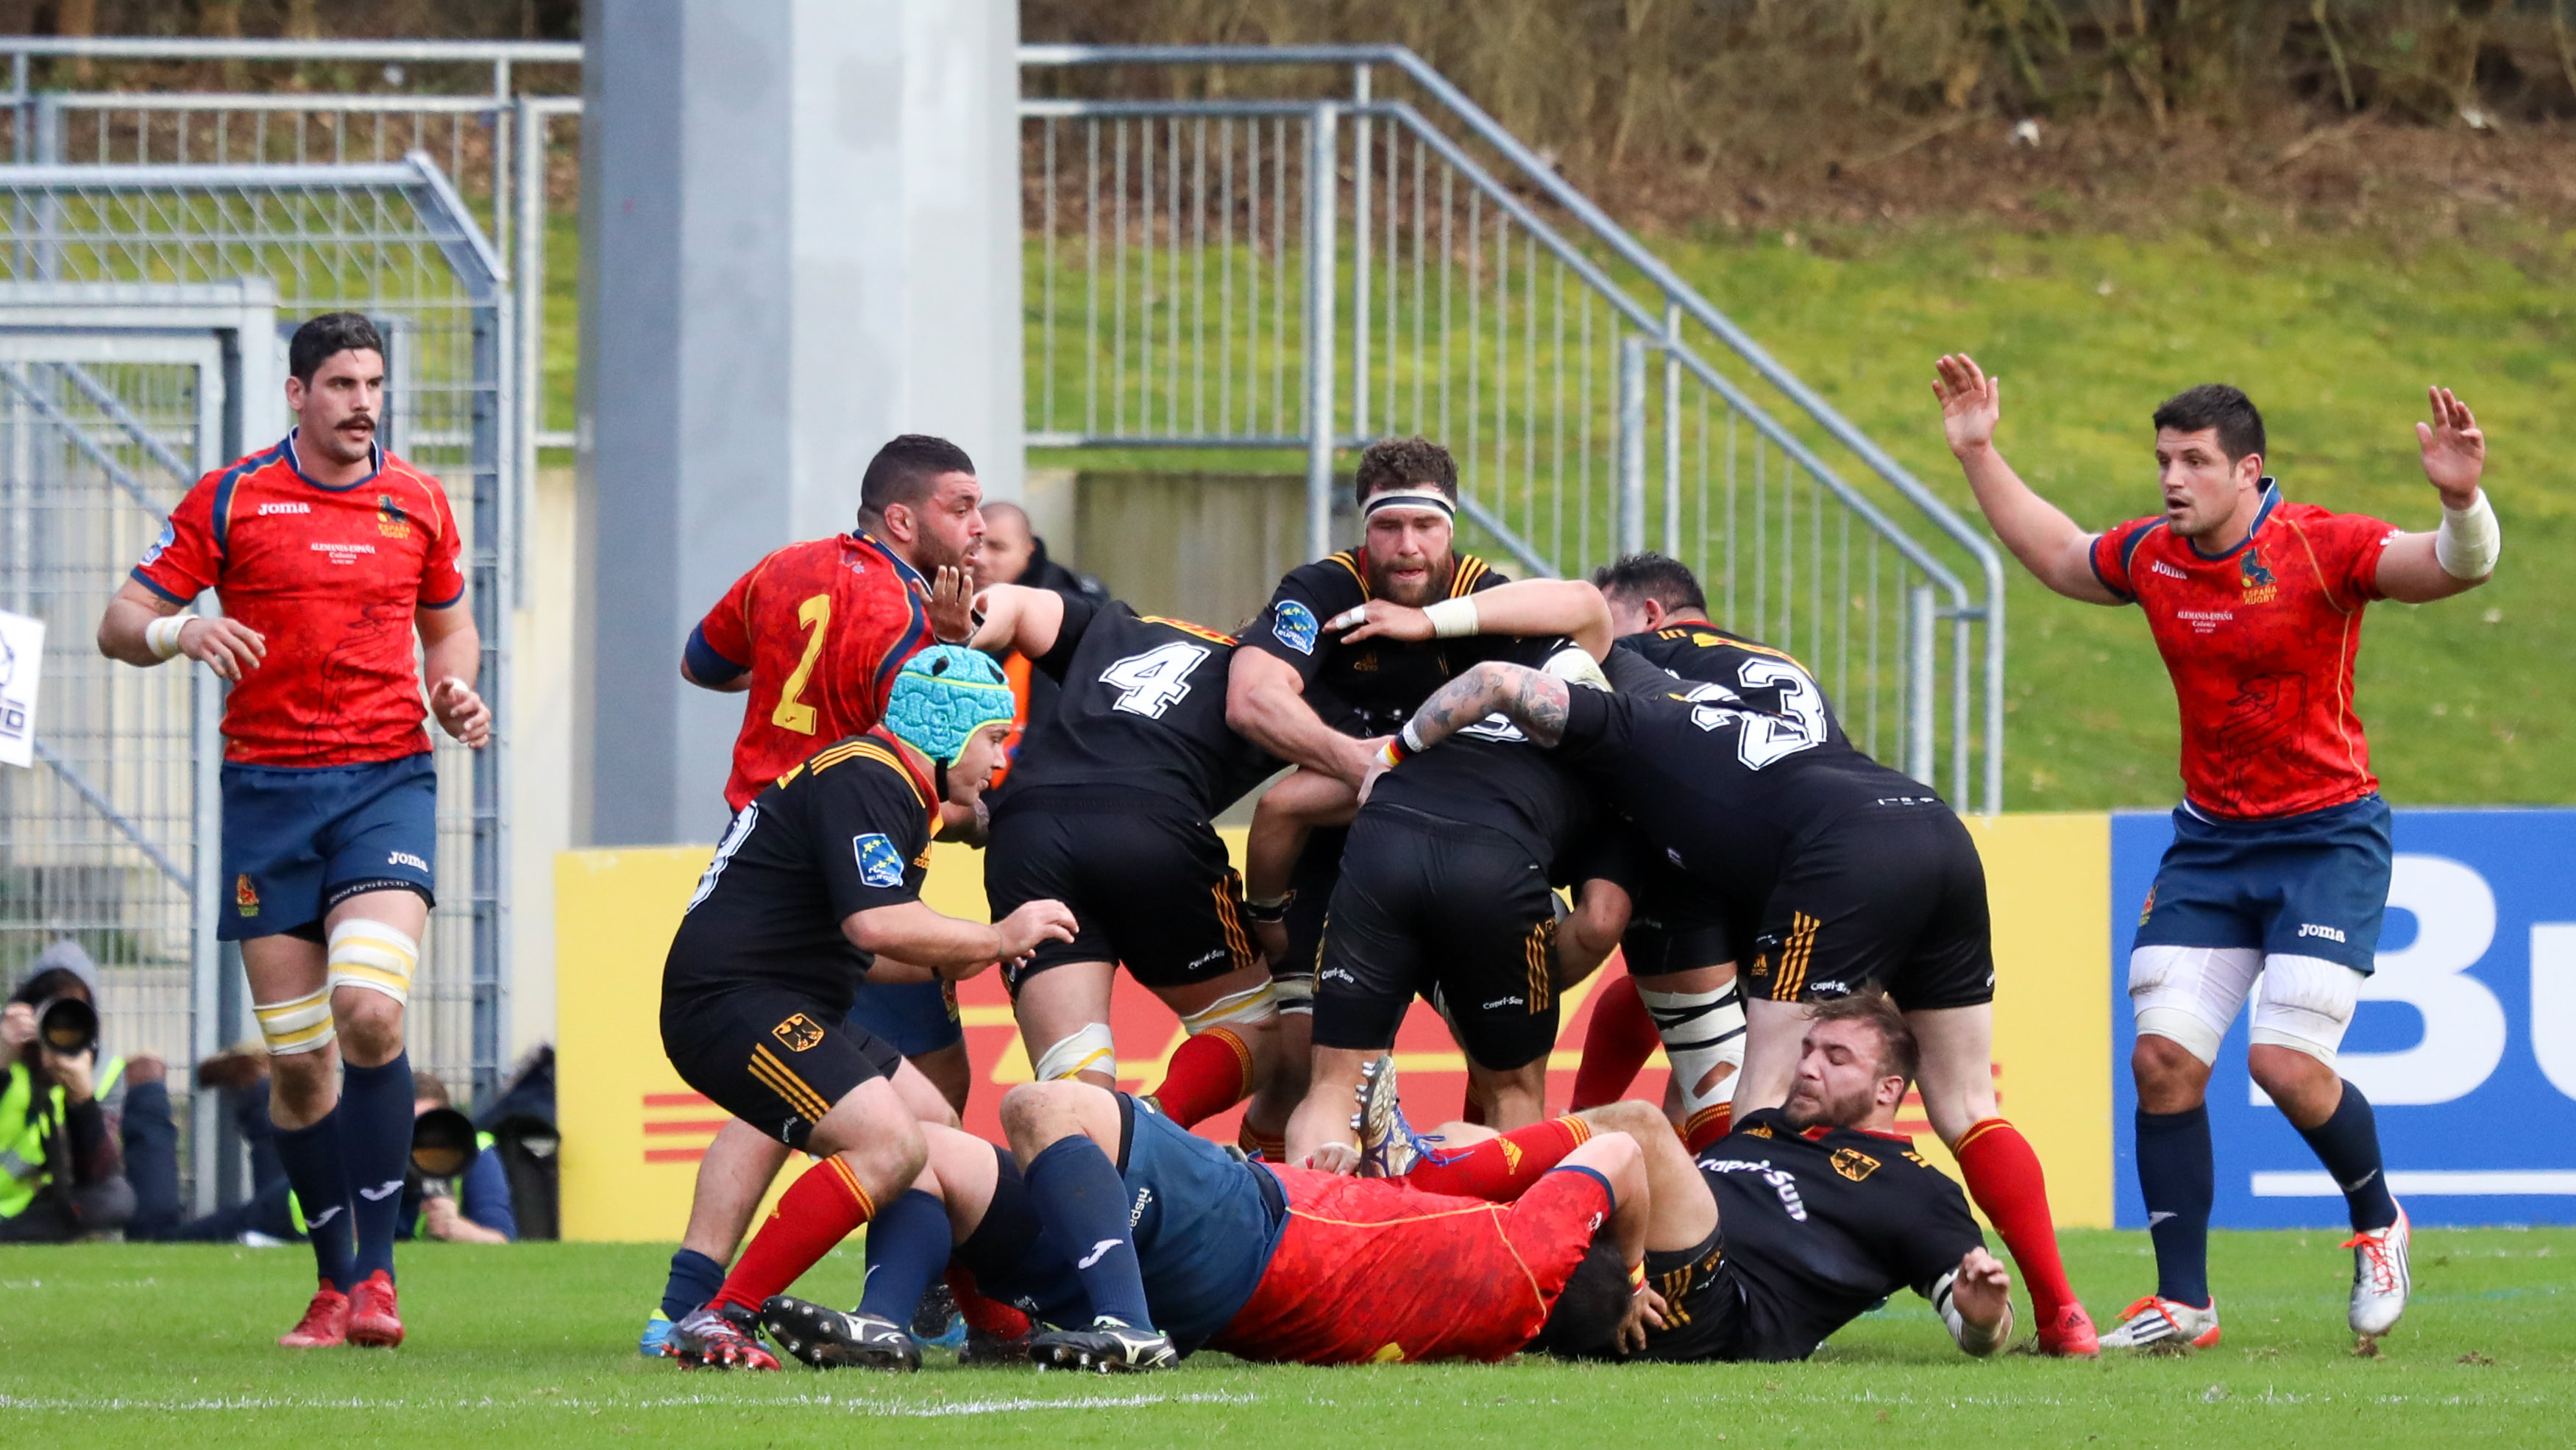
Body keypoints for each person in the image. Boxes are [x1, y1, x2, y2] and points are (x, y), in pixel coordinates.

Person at [1931, 360, 2499, 1349]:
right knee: (2160, 1061)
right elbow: (2061, 554)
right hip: (2210, 841)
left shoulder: (2320, 544)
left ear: (2249, 471)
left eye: (2194, 460)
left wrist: (2461, 503)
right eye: (2163, 459)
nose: (2171, 478)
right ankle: (2184, 1302)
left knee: (2283, 1064)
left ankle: (2379, 1221)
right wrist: (1978, 450)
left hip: (2327, 837)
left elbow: (2452, 568)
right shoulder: (2154, 555)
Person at [1371, 633, 2093, 1355]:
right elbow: (1636, 1000)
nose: (1814, 1065)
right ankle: (2064, 1314)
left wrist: (1392, 754)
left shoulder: (1622, 726)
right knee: (1968, 1105)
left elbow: (1499, 681)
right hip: (1934, 826)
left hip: (1842, 854)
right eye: (1819, 1051)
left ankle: (1417, 1180)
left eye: (1835, 1057)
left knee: (1746, 1096)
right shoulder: (1738, 709)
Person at [96, 311, 489, 1349]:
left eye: (375, 384)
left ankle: (381, 1278)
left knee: (370, 1011)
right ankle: (332, 1282)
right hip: (268, 796)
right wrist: (184, 628)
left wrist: (454, 691)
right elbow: (119, 622)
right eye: (343, 385)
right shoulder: (231, 498)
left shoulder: (418, 500)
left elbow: (450, 627)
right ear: (298, 393)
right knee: (303, 1061)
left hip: (385, 782)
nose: (364, 403)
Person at [647, 433, 987, 1355]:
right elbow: (928, 747)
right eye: (961, 508)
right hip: (846, 861)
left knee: (824, 1093)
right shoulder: (911, 621)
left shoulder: (782, 568)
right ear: (903, 518)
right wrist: (951, 659)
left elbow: (701, 663)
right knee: (896, 1098)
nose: (977, 527)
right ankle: (899, 1300)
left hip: (762, 844)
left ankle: (691, 1301)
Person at [656, 646, 1076, 1371]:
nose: (997, 760)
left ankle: (995, 1324)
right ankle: (720, 1314)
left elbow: (866, 946)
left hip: (780, 996)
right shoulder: (869, 775)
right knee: (889, 1144)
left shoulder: (888, 784)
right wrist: (995, 936)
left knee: (936, 1131)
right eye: (991, 738)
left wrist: (964, 952)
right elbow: (875, 924)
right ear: (945, 730)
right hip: (733, 1001)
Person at [755, 1084, 1658, 1373]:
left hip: (1249, 1226)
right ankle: (883, 1329)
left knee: (1041, 1107)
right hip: (1212, 1300)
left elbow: (1625, 1145)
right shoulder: (1495, 1331)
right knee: (933, 1154)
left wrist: (1634, 1270)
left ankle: (1124, 1328)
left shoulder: (1531, 1250)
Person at [1260, 586, 1636, 1163]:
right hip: (1496, 860)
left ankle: (1314, 1200)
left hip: (1385, 835)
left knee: (1333, 1085)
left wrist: (1264, 911)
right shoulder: (1617, 730)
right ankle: (1474, 1200)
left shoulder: (1450, 696)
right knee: (1512, 1092)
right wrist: (1509, 983)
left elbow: (1279, 805)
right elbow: (1599, 922)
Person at [1224, 437, 1511, 1158]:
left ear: (1452, 526)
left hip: (1448, 857)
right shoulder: (1323, 589)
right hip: (1328, 865)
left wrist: (1398, 769)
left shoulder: (1488, 593)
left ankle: (1481, 1216)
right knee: (1297, 1069)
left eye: (1426, 525)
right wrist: (1361, 762)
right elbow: (1252, 697)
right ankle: (1270, 1212)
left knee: (1502, 1059)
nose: (1407, 545)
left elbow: (1579, 631)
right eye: (1389, 526)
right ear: (1363, 529)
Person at [967, 583, 1287, 1134]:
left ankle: (1098, 1167)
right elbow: (1294, 803)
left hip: (1027, 827)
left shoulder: (1123, 627)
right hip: (1148, 825)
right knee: (1257, 1026)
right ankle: (1153, 1125)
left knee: (1072, 1074)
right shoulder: (1283, 684)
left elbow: (1014, 604)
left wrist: (962, 634)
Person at [1541, 992, 2016, 1364]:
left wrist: (1984, 1321)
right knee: (1491, 1151)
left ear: (1887, 1090)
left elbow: (1975, 1322)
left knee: (1643, 1128)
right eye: (1807, 1051)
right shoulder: (1764, 1126)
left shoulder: (1918, 1188)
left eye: (1836, 1059)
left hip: (1721, 1304)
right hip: (1626, 1261)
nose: (1807, 1068)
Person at [1563, 555, 1760, 1149]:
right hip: (1807, 853)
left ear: (1650, 615)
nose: (1599, 638)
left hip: (1690, 850)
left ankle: (1580, 1137)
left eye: (1605, 620)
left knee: (1704, 1050)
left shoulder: (1635, 659)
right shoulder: (1772, 661)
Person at [0, 944, 136, 1241]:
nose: (59, 1026)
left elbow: (97, 1176)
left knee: (116, 1198)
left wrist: (82, 1100)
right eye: (52, 1010)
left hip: (38, 1208)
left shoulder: (104, 1071)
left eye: (72, 1013)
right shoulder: (5, 1048)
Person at [399, 1070, 514, 1244]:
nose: (418, 1135)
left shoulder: (474, 1151)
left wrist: (455, 1228)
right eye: (408, 1124)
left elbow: (501, 1239)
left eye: (428, 1125)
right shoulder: (373, 1155)